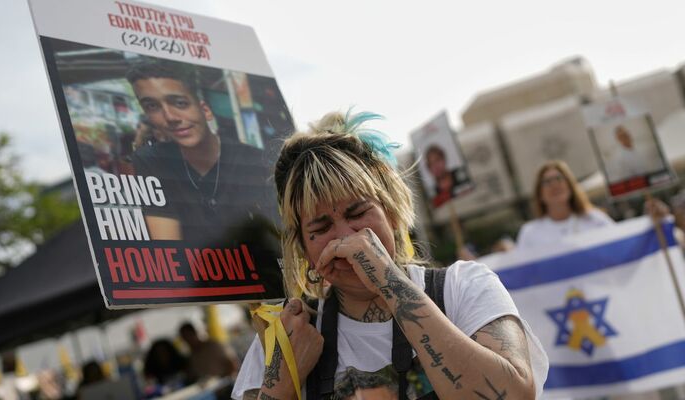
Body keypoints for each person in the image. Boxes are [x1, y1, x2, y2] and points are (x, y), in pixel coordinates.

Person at [231, 111, 548, 400]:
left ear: (393, 214)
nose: (346, 236)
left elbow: (513, 395)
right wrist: (280, 386)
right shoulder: (285, 338)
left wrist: (389, 280)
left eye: (358, 212)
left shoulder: (462, 287)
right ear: (304, 249)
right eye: (322, 226)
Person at [127, 59, 281, 247]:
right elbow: (169, 252)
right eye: (152, 106)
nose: (170, 117)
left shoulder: (254, 161)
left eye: (180, 103)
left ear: (206, 110)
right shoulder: (151, 161)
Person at [516, 160, 615, 249]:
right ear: (540, 195)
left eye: (559, 178)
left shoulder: (595, 219)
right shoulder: (529, 233)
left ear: (570, 186)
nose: (554, 185)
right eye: (547, 182)